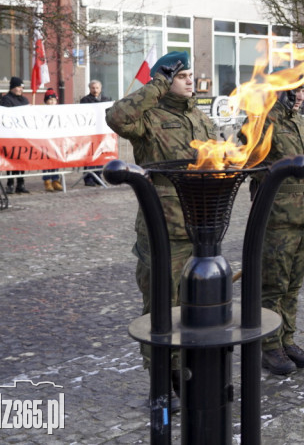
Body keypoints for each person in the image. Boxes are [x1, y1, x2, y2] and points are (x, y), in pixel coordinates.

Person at [105, 51, 217, 391]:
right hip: (163, 225)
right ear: (165, 81)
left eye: (188, 76)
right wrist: (156, 85)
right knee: (161, 306)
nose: (189, 81)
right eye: (181, 76)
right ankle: (161, 378)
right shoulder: (149, 117)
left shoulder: (201, 118)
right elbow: (116, 117)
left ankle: (187, 369)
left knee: (195, 304)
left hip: (202, 223)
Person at [245, 76, 304, 375]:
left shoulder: (302, 123)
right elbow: (250, 163)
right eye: (293, 90)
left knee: (294, 283)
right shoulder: (263, 122)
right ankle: (270, 346)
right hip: (278, 217)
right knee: (273, 286)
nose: (299, 95)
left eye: (302, 89)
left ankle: (287, 339)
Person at [0, 77, 31, 194]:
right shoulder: (6, 100)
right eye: (18, 87)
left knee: (21, 160)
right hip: (11, 134)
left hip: (22, 134)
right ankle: (10, 183)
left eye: (21, 87)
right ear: (12, 87)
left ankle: (21, 183)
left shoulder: (24, 100)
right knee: (11, 160)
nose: (20, 89)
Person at [80, 80, 112, 186]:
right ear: (90, 89)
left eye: (97, 88)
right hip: (90, 133)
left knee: (100, 155)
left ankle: (98, 176)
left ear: (100, 88)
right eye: (93, 88)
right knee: (90, 155)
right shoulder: (85, 100)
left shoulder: (106, 100)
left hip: (102, 132)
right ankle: (88, 177)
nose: (95, 90)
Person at [41, 90, 63, 191]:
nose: (52, 102)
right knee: (46, 160)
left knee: (55, 159)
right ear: (46, 101)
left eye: (54, 100)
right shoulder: (41, 111)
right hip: (45, 139)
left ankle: (55, 180)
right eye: (50, 100)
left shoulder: (59, 111)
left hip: (56, 139)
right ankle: (47, 180)